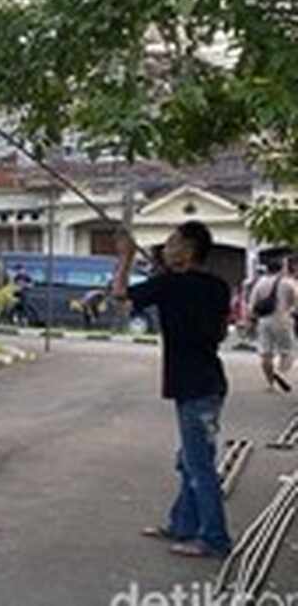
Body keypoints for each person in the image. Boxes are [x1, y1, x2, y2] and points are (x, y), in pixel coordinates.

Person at [112, 222, 232, 559]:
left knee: (199, 465)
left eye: (172, 242)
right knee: (190, 461)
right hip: (211, 381)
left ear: (188, 251)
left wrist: (125, 258)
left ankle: (214, 539)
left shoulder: (169, 285)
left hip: (192, 386)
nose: (166, 247)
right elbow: (220, 333)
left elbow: (120, 294)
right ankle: (182, 524)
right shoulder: (217, 286)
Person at [248, 259, 296, 392]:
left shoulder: (260, 283)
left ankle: (271, 384)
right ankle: (280, 373)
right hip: (282, 319)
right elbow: (295, 301)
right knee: (288, 351)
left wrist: (251, 320)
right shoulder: (288, 283)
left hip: (264, 321)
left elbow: (252, 305)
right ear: (281, 268)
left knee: (265, 353)